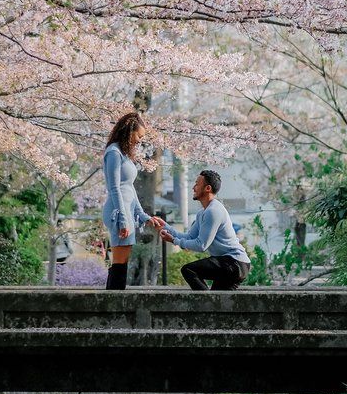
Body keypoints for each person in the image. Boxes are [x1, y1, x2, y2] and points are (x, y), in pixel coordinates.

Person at [158, 169, 251, 290]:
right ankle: (207, 305)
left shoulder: (213, 211)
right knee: (218, 304)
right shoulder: (203, 212)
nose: (193, 187)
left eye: (197, 184)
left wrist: (174, 241)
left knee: (189, 270)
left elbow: (201, 245)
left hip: (234, 263)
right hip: (229, 264)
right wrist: (165, 226)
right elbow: (190, 237)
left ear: (207, 188)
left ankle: (205, 303)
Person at [102, 112, 161, 290]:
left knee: (123, 262)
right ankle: (114, 306)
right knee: (119, 263)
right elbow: (115, 188)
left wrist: (143, 216)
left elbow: (129, 188)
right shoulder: (113, 152)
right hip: (117, 212)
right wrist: (122, 219)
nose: (140, 141)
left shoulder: (124, 153)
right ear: (129, 130)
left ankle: (117, 304)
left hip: (126, 212)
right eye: (139, 136)